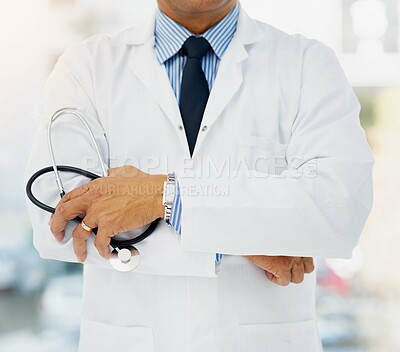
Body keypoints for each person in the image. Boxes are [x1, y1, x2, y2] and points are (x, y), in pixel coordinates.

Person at [25, 1, 374, 351]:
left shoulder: (307, 65)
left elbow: (337, 209)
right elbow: (55, 221)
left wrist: (161, 197)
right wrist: (254, 235)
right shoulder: (86, 68)